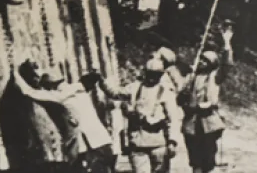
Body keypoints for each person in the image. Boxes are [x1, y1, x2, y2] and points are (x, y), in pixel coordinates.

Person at [13, 63, 116, 173]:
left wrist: (14, 74)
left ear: (50, 87)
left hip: (90, 147)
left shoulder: (59, 95)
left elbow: (28, 92)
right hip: (104, 142)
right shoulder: (79, 88)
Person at [98, 60, 181, 173]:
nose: (152, 78)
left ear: (161, 75)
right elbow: (115, 93)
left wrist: (172, 141)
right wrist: (101, 81)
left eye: (156, 74)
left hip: (159, 144)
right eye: (149, 74)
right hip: (138, 143)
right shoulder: (134, 88)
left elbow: (173, 119)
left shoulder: (166, 92)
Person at [180, 25, 234, 173]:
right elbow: (180, 98)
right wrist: (183, 96)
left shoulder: (215, 77)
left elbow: (227, 64)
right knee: (195, 160)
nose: (202, 62)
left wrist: (226, 42)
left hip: (209, 123)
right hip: (191, 123)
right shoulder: (190, 77)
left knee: (208, 159)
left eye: (206, 60)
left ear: (212, 64)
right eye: (201, 59)